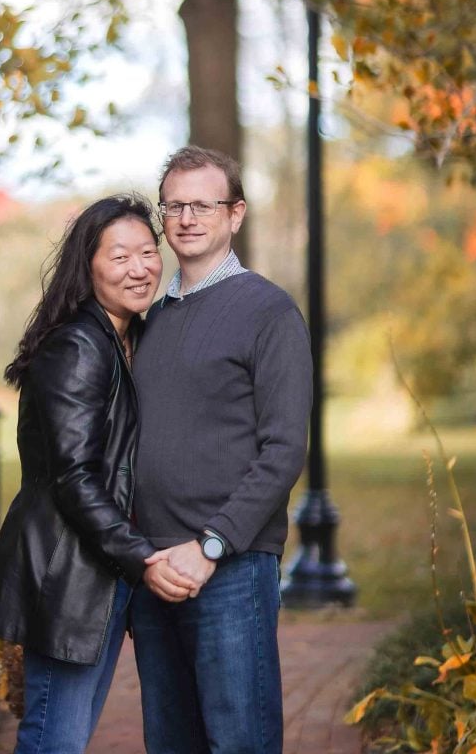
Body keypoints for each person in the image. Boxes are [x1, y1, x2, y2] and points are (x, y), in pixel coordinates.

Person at [0, 195, 194, 754]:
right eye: (120, 257)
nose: (139, 268)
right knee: (55, 737)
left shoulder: (126, 337)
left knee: (64, 734)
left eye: (148, 252)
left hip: (100, 567)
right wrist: (140, 555)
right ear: (89, 266)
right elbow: (73, 476)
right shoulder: (79, 345)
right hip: (68, 572)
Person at [131, 146, 314, 754]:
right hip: (155, 573)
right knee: (172, 744)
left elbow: (284, 449)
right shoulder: (147, 321)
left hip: (229, 568)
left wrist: (211, 545)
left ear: (235, 215)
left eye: (202, 205)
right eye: (174, 206)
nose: (186, 218)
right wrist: (142, 557)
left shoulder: (269, 312)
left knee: (239, 742)